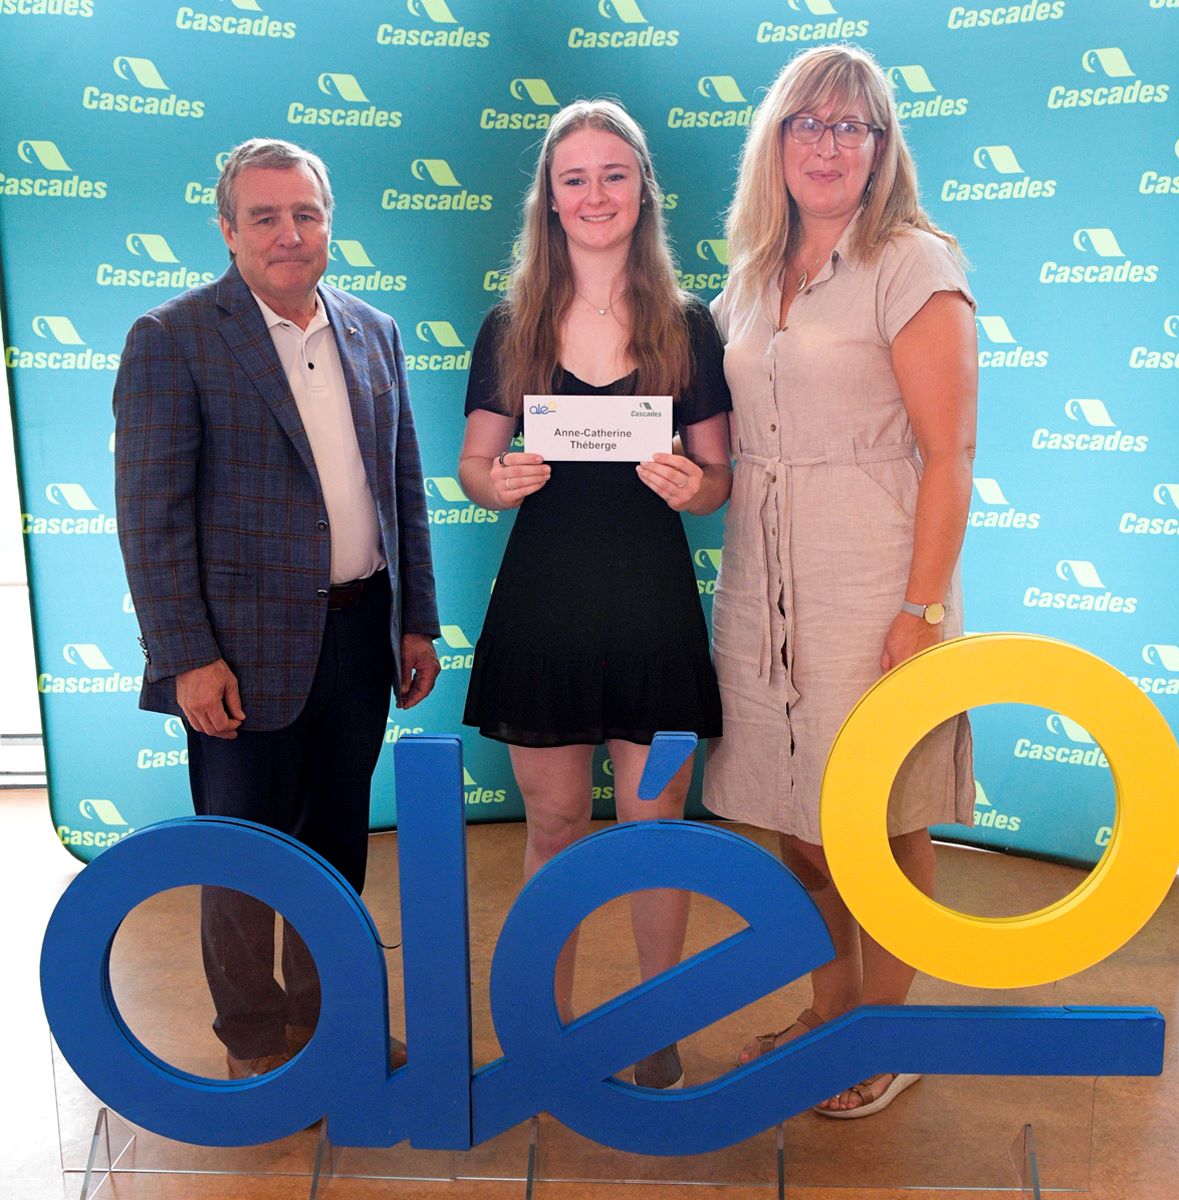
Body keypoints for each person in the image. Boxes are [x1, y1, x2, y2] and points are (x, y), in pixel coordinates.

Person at [113, 138, 440, 1080]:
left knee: (338, 843)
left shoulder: (373, 330)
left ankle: (329, 1028)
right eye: (264, 217)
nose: (288, 233)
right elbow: (150, 516)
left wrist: (414, 617)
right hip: (238, 656)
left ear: (328, 221)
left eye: (304, 213)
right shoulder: (172, 338)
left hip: (360, 631)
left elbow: (400, 488)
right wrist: (185, 657)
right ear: (228, 229)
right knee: (244, 856)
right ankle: (255, 1048)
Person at [703, 44, 978, 1117]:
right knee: (796, 816)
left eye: (851, 127)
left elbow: (949, 453)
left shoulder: (913, 262)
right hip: (762, 580)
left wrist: (922, 607)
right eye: (807, 124)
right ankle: (828, 1011)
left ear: (880, 149)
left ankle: (887, 1031)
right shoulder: (747, 275)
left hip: (875, 578)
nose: (828, 145)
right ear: (774, 143)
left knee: (885, 816)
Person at [457, 100, 732, 1090]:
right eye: (573, 178)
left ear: (643, 190)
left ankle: (657, 1032)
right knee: (556, 825)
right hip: (545, 622)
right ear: (549, 199)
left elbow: (718, 479)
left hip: (655, 624)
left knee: (656, 827)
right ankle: (547, 1031)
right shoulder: (511, 326)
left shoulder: (690, 326)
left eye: (613, 174)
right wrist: (502, 480)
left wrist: (690, 486)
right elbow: (474, 465)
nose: (594, 195)